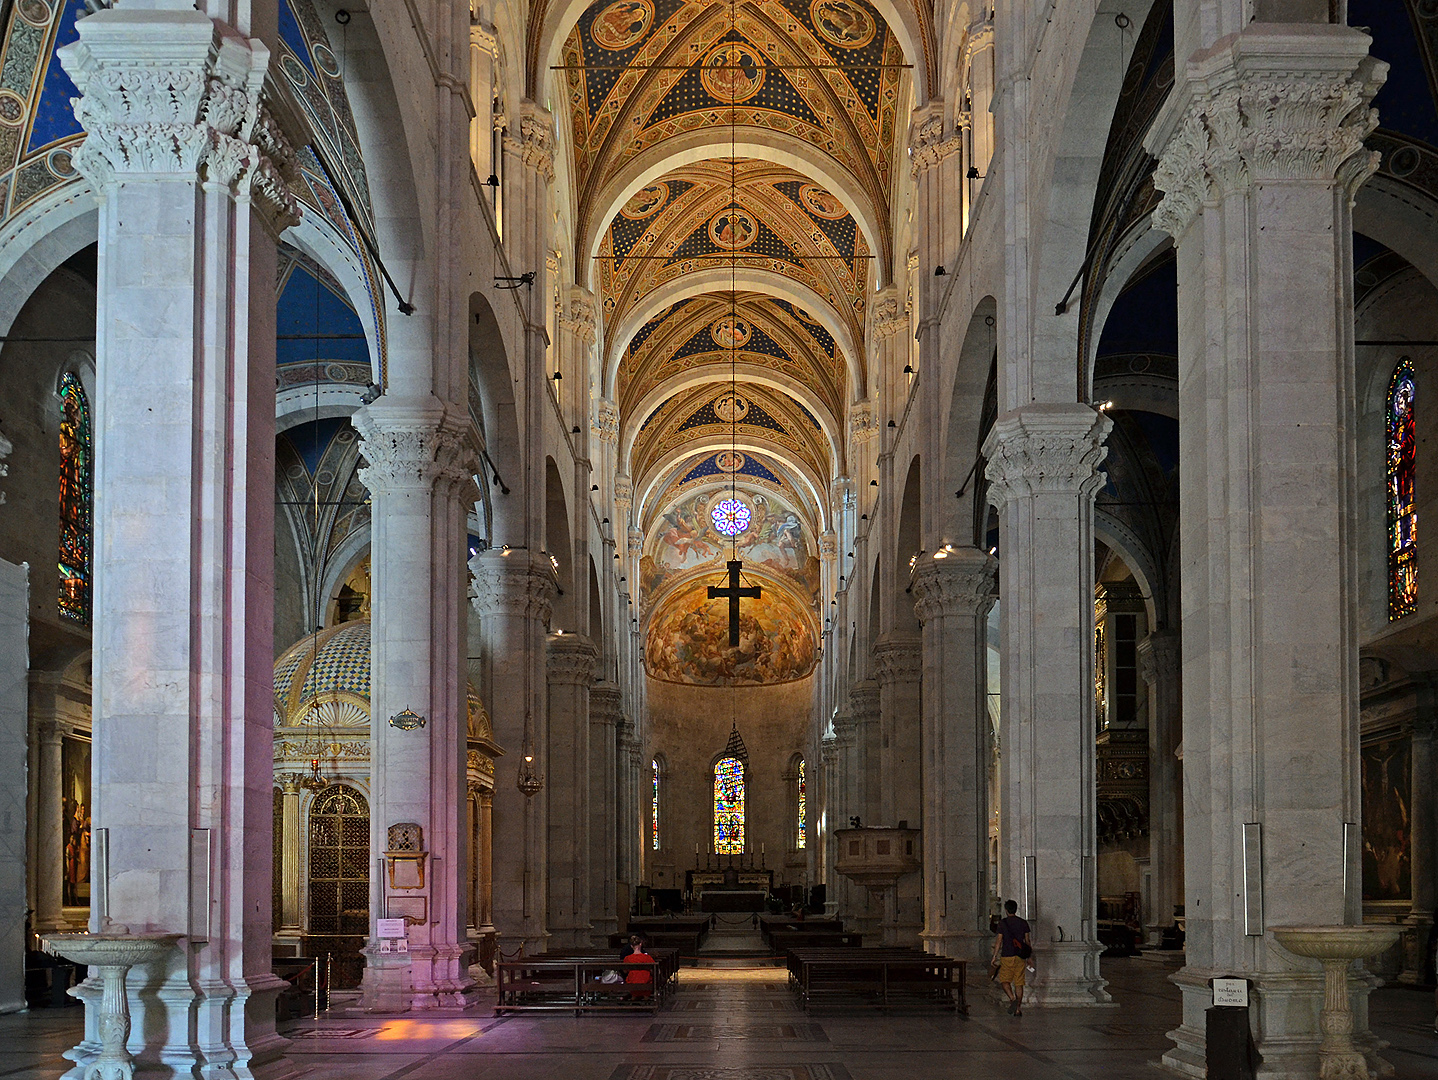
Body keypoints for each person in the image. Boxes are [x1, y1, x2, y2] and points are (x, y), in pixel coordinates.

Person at [991, 899, 1032, 1016]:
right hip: (1020, 957)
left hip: (1007, 955)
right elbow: (1027, 941)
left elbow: (999, 941)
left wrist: (994, 956)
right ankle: (1018, 1009)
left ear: (1006, 910)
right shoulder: (1023, 923)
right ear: (1016, 909)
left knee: (1004, 981)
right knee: (1019, 983)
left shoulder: (1003, 923)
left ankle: (1012, 999)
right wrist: (1029, 957)